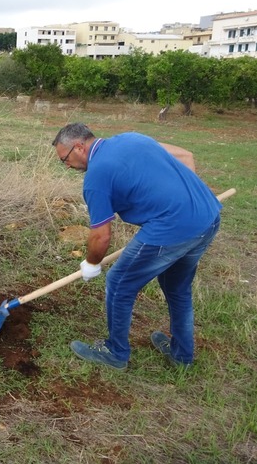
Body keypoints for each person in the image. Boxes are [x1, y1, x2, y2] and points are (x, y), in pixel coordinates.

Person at [52, 122, 222, 370]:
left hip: (171, 229)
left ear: (79, 147)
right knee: (177, 288)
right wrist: (183, 202)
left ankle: (115, 352)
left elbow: (101, 237)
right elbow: (186, 156)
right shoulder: (132, 138)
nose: (66, 166)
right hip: (207, 217)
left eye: (64, 159)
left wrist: (91, 264)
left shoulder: (96, 176)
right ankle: (182, 356)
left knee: (119, 283)